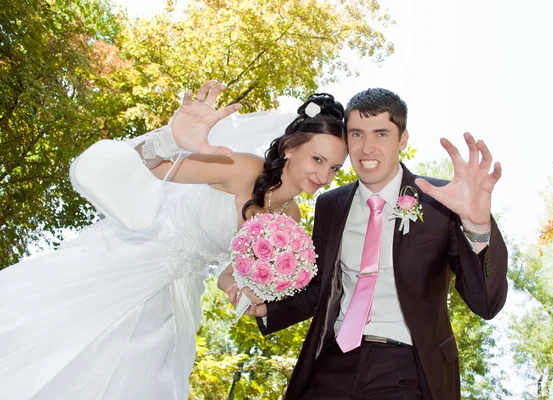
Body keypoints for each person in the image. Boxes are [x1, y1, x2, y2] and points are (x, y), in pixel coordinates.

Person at [0, 80, 347, 400]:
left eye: (334, 168)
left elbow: (230, 271)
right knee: (59, 349)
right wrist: (172, 139)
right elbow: (150, 167)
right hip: (137, 261)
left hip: (177, 295)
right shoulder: (242, 167)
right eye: (318, 159)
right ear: (289, 147)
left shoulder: (293, 217)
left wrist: (239, 288)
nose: (324, 175)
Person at [241, 88, 508, 400]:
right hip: (332, 363)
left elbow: (485, 303)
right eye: (356, 134)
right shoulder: (330, 205)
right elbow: (320, 289)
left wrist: (476, 224)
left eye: (381, 133)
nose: (367, 148)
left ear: (402, 139)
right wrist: (266, 309)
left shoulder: (442, 200)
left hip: (407, 368)